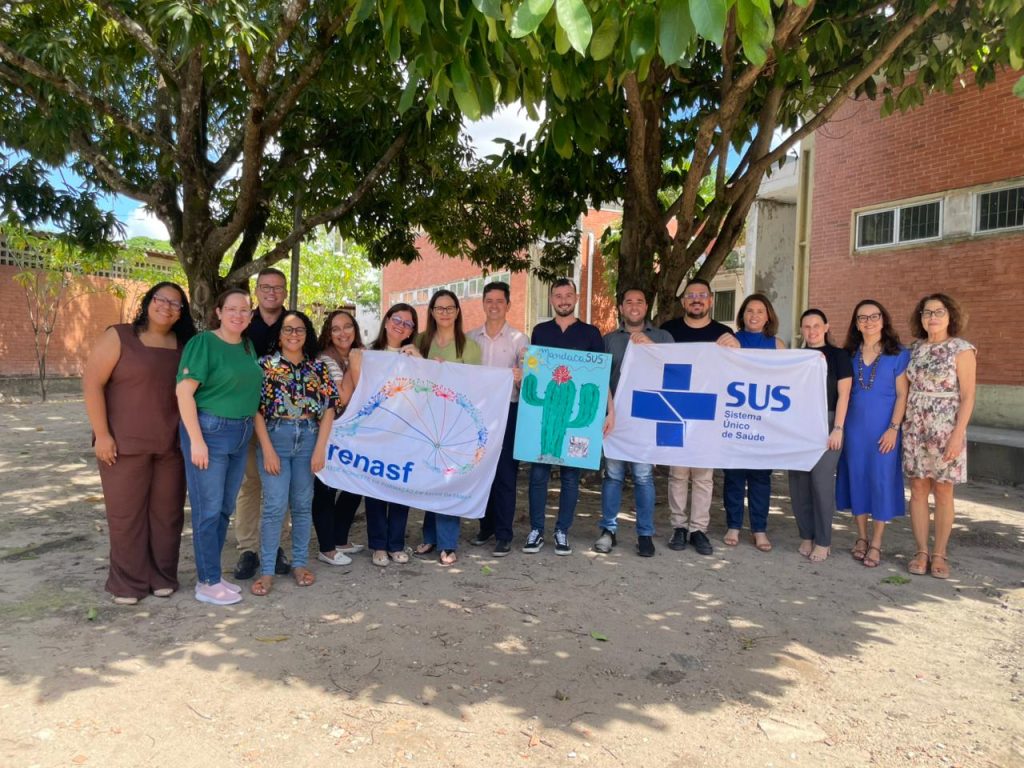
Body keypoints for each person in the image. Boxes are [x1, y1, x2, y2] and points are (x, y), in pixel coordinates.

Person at [83, 282, 197, 605]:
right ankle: (128, 583)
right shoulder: (119, 336)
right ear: (148, 302)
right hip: (122, 445)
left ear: (181, 313)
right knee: (126, 516)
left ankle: (162, 576)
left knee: (167, 516)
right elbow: (92, 383)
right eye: (161, 299)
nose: (167, 307)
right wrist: (102, 434)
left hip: (171, 445)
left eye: (175, 304)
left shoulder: (185, 346)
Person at [176, 287, 264, 605]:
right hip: (210, 432)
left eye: (244, 309)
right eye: (232, 309)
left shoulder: (247, 346)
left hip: (240, 433)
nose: (238, 315)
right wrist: (196, 441)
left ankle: (212, 573)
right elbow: (184, 392)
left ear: (251, 314)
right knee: (208, 510)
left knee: (225, 508)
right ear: (218, 312)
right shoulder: (203, 343)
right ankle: (207, 582)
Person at [250, 311, 339, 596]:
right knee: (275, 506)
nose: (293, 334)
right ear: (279, 335)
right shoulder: (264, 366)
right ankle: (267, 571)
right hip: (276, 437)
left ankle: (299, 564)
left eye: (299, 329)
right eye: (287, 330)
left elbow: (329, 408)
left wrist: (320, 448)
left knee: (302, 505)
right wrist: (267, 449)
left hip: (309, 439)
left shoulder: (318, 367)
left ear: (306, 333)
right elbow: (255, 409)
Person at [524, 278, 613, 556]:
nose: (563, 300)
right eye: (558, 295)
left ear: (575, 298)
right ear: (551, 299)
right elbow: (535, 369)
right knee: (538, 475)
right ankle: (536, 529)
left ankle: (562, 530)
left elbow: (600, 377)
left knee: (571, 477)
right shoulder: (540, 331)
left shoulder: (591, 333)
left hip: (575, 415)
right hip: (546, 417)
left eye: (568, 295)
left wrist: (609, 411)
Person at [659, 278, 740, 556]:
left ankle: (698, 530)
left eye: (702, 295)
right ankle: (679, 527)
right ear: (683, 301)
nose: (696, 299)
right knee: (678, 474)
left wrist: (736, 346)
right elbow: (654, 362)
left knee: (704, 476)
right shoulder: (669, 331)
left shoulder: (724, 333)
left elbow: (736, 369)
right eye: (691, 295)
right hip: (677, 409)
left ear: (711, 300)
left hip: (708, 412)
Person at [338, 303, 421, 567]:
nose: (400, 326)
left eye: (407, 323)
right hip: (374, 432)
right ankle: (378, 545)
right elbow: (358, 392)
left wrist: (421, 362)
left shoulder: (416, 357)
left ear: (412, 331)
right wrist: (356, 364)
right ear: (386, 321)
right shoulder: (367, 354)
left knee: (400, 488)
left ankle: (396, 544)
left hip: (405, 433)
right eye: (397, 319)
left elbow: (425, 392)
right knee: (374, 489)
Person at [594, 287, 674, 558]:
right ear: (621, 308)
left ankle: (645, 534)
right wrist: (609, 412)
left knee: (643, 477)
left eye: (639, 301)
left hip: (646, 419)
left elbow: (674, 370)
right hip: (615, 420)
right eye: (628, 302)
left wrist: (650, 347)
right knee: (613, 476)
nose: (634, 305)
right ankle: (608, 530)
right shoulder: (609, 340)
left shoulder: (662, 337)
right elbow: (601, 378)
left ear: (646, 306)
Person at [903, 294, 976, 580]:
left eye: (939, 311)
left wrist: (958, 434)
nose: (932, 317)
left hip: (946, 429)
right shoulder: (914, 349)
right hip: (915, 427)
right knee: (918, 488)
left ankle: (940, 553)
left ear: (950, 315)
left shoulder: (961, 349)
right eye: (927, 312)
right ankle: (921, 551)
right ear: (920, 318)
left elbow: (968, 396)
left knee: (944, 490)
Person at [836, 299, 910, 568]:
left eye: (874, 316)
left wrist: (893, 428)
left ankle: (877, 542)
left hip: (884, 430)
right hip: (854, 428)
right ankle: (861, 537)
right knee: (857, 478)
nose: (868, 322)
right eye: (862, 318)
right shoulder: (848, 354)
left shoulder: (898, 354)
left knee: (880, 482)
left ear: (883, 319)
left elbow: (902, 395)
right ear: (856, 324)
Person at [411, 290, 482, 566]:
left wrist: (445, 372)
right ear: (431, 311)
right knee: (431, 480)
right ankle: (430, 536)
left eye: (449, 307)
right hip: (425, 420)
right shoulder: (421, 341)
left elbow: (475, 385)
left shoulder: (469, 346)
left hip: (455, 422)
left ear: (457, 311)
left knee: (449, 481)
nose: (444, 313)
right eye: (439, 308)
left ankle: (448, 543)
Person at [233, 268, 290, 580]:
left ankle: (276, 546)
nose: (271, 292)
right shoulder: (241, 323)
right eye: (266, 287)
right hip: (246, 415)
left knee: (278, 485)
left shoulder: (294, 324)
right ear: (256, 291)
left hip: (284, 421)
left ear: (285, 291)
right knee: (250, 484)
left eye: (278, 287)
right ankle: (248, 549)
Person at [722, 293, 787, 552]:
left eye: (760, 311)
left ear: (768, 316)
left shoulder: (777, 345)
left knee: (761, 477)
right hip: (736, 418)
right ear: (742, 315)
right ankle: (733, 526)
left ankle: (759, 529)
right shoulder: (730, 340)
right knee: (734, 476)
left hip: (765, 421)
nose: (754, 315)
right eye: (750, 310)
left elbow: (787, 380)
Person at [467, 282, 528, 557]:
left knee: (505, 474)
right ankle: (486, 527)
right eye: (489, 300)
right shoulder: (470, 339)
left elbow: (529, 383)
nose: (494, 306)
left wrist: (520, 378)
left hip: (508, 412)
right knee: (481, 472)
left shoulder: (521, 340)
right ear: (483, 303)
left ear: (508, 305)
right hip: (478, 414)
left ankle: (504, 534)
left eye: (499, 301)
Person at [786, 309, 852, 563]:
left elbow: (844, 395)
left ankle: (823, 540)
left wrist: (838, 427)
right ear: (801, 329)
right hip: (799, 424)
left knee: (821, 482)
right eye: (806, 326)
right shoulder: (796, 357)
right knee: (798, 482)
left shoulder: (839, 356)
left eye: (816, 326)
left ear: (826, 327)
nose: (812, 331)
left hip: (828, 422)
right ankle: (806, 535)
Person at [311, 310, 364, 567]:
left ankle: (340, 539)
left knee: (355, 487)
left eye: (347, 326)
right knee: (326, 489)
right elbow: (342, 398)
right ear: (328, 334)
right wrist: (354, 365)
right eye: (336, 329)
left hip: (356, 433)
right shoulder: (325, 360)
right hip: (329, 432)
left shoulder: (361, 354)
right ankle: (327, 548)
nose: (343, 333)